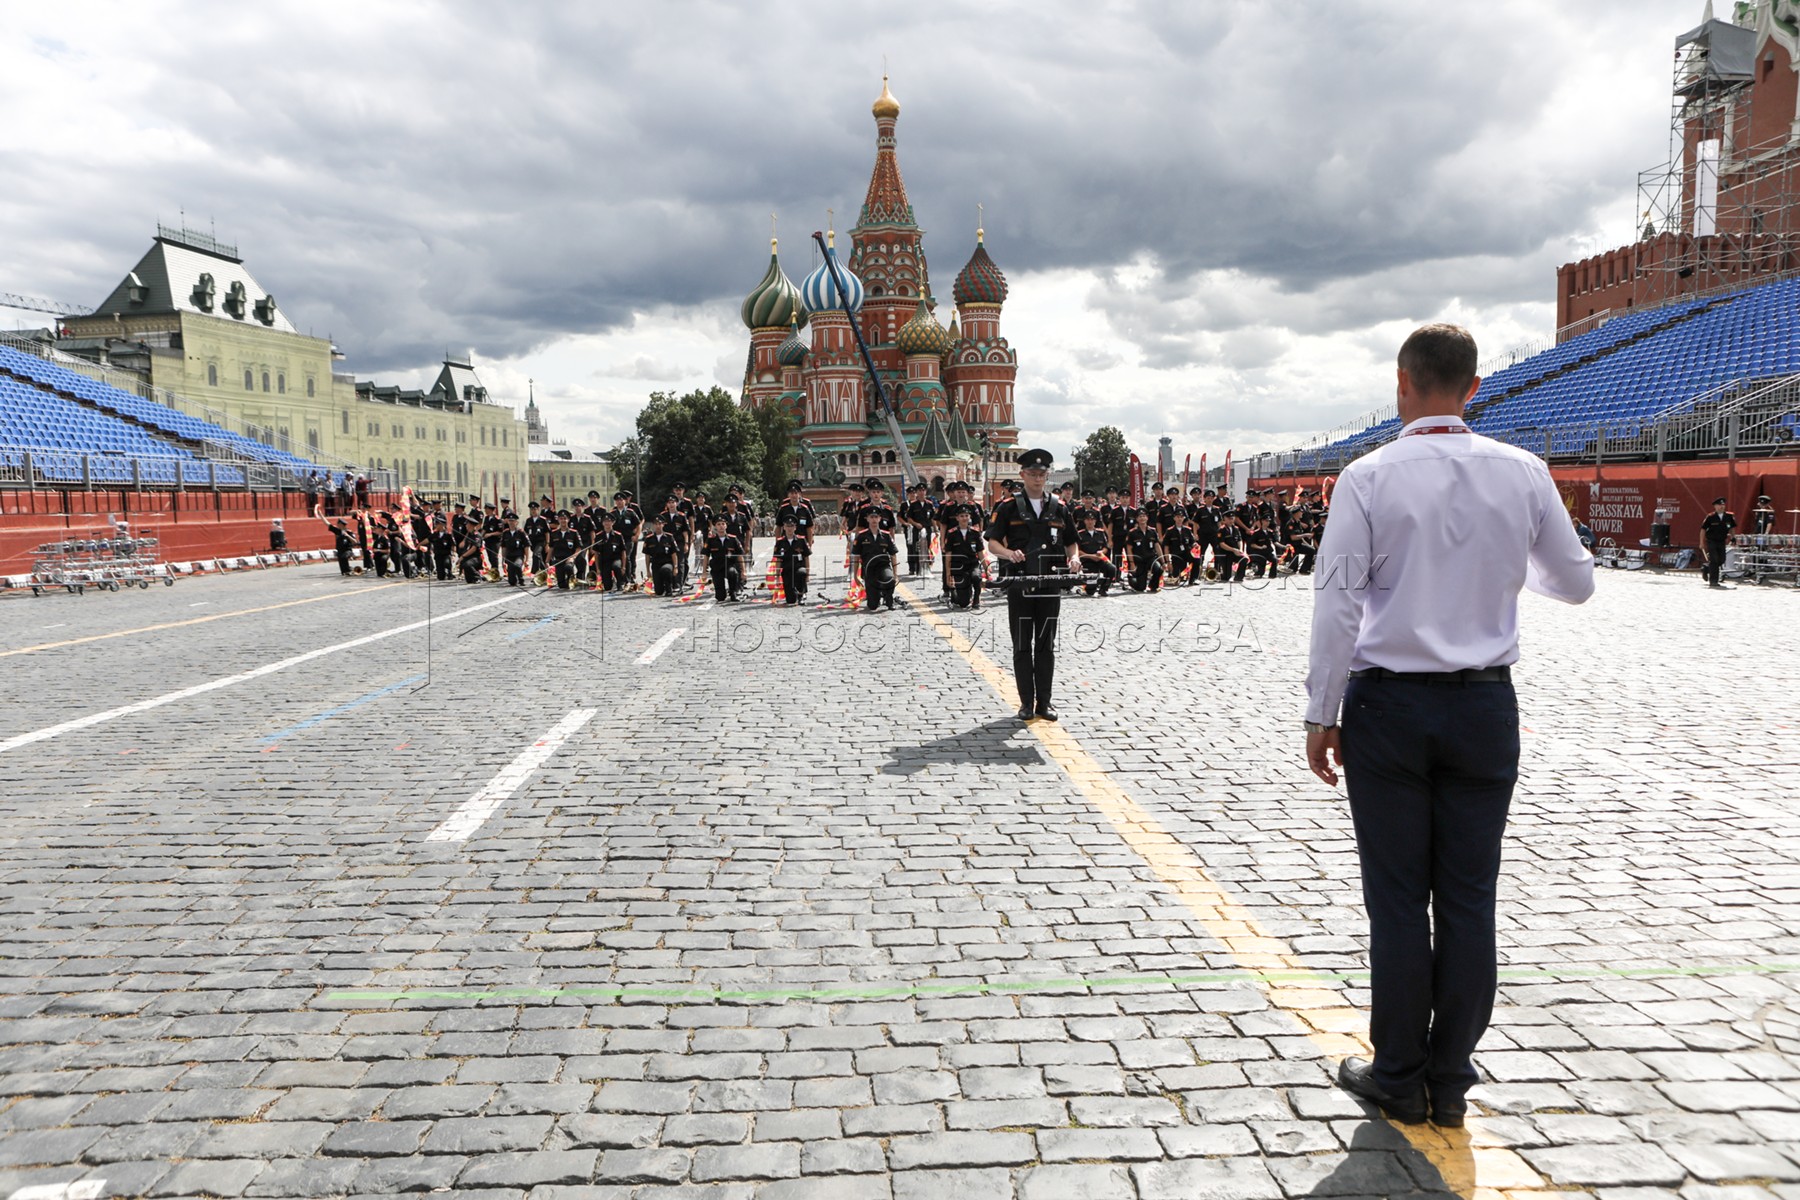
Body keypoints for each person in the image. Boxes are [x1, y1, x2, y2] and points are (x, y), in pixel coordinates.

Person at [1305, 323, 1593, 1129]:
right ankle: (1451, 1081)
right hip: (1483, 706)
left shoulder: (1366, 477)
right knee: (1469, 897)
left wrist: (1321, 711)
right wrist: (1501, 563)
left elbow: (1337, 603)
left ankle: (1397, 1072)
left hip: (1389, 707)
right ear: (1474, 388)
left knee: (1398, 899)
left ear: (1402, 383)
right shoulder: (1524, 471)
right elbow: (1575, 583)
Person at [986, 447, 1081, 721]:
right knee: (1022, 644)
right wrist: (1008, 553)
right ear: (1023, 475)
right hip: (1020, 584)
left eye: (1041, 474)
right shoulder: (1008, 507)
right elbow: (992, 542)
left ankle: (1045, 703)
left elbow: (1071, 542)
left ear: (1046, 475)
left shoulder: (1058, 507)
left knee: (1045, 645)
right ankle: (1026, 702)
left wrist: (1074, 558)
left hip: (1050, 584)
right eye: (1032, 473)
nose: (1038, 478)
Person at [852, 505, 899, 611]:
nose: (874, 519)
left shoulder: (886, 536)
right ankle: (878, 593)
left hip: (883, 567)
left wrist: (895, 574)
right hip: (869, 570)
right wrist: (855, 576)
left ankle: (889, 599)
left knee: (889, 579)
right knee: (872, 606)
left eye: (876, 517)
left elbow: (893, 555)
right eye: (871, 517)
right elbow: (856, 557)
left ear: (880, 518)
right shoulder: (861, 536)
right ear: (867, 519)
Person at [944, 505, 987, 610]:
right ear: (957, 518)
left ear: (970, 517)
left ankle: (976, 600)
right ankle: (955, 596)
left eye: (966, 516)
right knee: (963, 603)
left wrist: (986, 568)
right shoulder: (951, 534)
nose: (964, 518)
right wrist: (948, 574)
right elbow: (948, 555)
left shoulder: (975, 533)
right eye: (962, 516)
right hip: (958, 567)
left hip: (972, 564)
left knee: (976, 577)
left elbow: (980, 552)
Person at [701, 516, 746, 602]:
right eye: (718, 524)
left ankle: (733, 592)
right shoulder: (710, 540)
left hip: (729, 566)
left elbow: (740, 556)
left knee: (733, 572)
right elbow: (706, 556)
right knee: (720, 597)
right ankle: (721, 592)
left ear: (726, 526)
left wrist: (743, 571)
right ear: (715, 526)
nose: (721, 526)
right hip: (717, 568)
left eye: (723, 524)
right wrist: (704, 572)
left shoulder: (733, 539)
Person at [1075, 510, 1118, 596]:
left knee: (1112, 568)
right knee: (1090, 591)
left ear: (1095, 521)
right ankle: (1087, 588)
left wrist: (1101, 552)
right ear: (1084, 521)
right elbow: (1077, 551)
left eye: (1092, 519)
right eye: (1088, 519)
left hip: (1099, 559)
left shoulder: (1101, 533)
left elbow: (1106, 547)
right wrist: (1091, 556)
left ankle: (1103, 588)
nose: (1090, 522)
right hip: (1087, 561)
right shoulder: (1080, 534)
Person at [772, 515, 811, 604]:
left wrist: (808, 574)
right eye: (787, 526)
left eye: (792, 526)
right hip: (787, 571)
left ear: (795, 527)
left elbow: (806, 557)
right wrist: (777, 577)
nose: (790, 529)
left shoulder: (801, 540)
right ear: (784, 527)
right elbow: (778, 560)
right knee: (791, 601)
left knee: (802, 572)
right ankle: (794, 594)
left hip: (798, 569)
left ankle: (801, 595)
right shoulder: (780, 542)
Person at [1700, 497, 1737, 588]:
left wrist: (1733, 537)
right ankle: (1713, 581)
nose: (1722, 507)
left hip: (1721, 541)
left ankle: (1706, 568)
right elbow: (1703, 529)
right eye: (1719, 505)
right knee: (1714, 560)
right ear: (1715, 506)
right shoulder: (1710, 517)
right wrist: (1701, 542)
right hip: (1712, 541)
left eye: (1723, 505)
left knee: (1722, 560)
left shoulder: (1728, 516)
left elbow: (1731, 528)